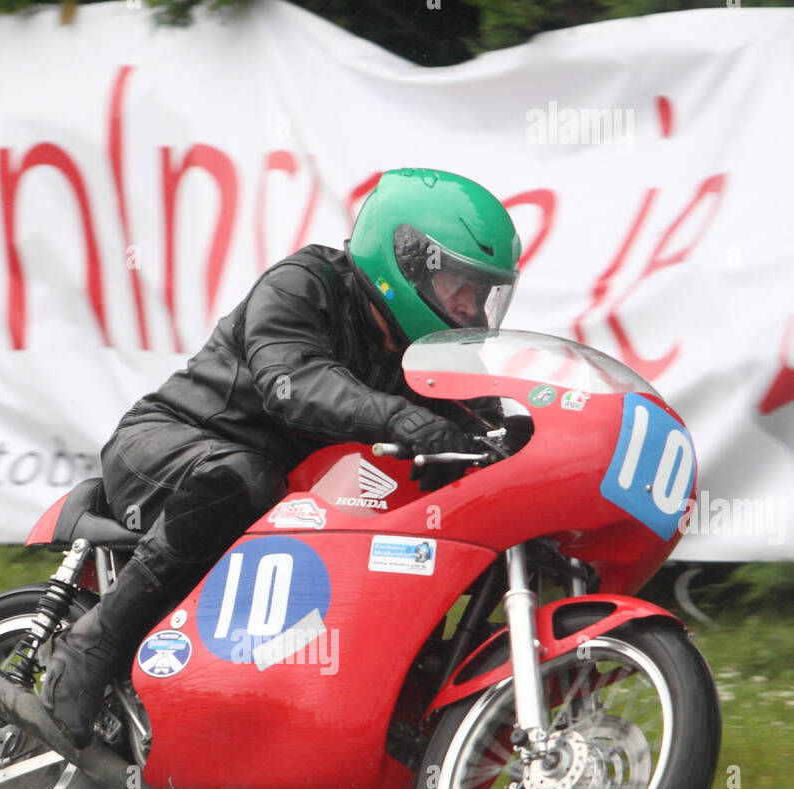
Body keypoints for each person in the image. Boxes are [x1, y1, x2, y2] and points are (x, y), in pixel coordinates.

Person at [42, 166, 522, 747]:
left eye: (483, 294)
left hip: (291, 500)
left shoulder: (433, 354)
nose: (472, 310)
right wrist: (400, 416)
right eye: (462, 287)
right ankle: (93, 644)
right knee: (243, 478)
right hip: (171, 442)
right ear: (409, 262)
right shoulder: (306, 282)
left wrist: (521, 439)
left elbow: (485, 417)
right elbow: (293, 381)